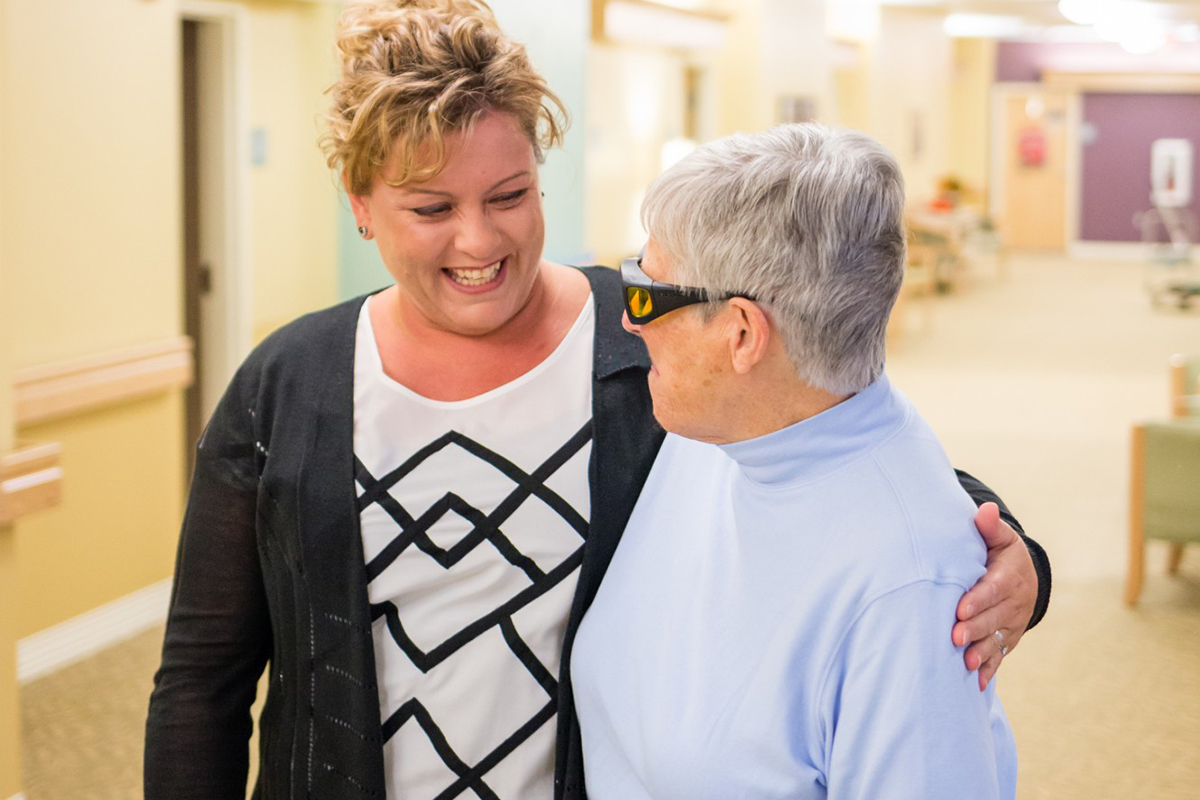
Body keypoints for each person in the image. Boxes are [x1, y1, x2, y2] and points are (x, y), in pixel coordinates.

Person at [144, 3, 1049, 799]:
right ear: (362, 206)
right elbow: (201, 677)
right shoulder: (289, 383)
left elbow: (820, 425)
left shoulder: (649, 342)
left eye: (510, 195)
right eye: (430, 208)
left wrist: (1004, 551)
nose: (478, 240)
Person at [571, 123, 1019, 799]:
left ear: (743, 334)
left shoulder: (905, 593)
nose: (626, 322)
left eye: (643, 291)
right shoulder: (718, 427)